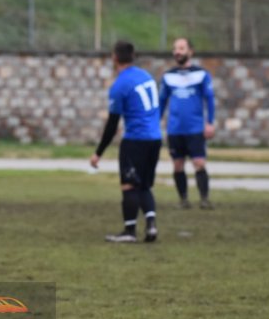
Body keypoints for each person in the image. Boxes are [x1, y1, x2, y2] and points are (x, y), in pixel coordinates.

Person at [90, 41, 162, 243]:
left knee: (129, 186)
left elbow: (112, 125)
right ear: (133, 56)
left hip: (135, 141)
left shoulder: (120, 85)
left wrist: (98, 153)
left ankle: (129, 231)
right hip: (155, 139)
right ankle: (151, 225)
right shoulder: (146, 76)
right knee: (145, 186)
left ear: (114, 57)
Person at [159, 37, 216, 209]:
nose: (178, 52)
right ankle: (183, 200)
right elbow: (161, 102)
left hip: (195, 128)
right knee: (177, 165)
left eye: (182, 48)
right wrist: (155, 122)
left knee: (199, 163)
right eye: (175, 48)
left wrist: (210, 123)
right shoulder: (168, 77)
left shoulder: (201, 74)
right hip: (175, 129)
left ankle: (204, 199)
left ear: (190, 51)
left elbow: (210, 100)